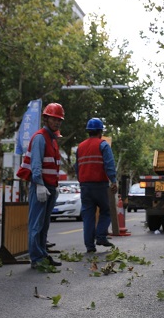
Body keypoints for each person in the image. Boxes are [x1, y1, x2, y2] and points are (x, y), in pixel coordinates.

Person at [16, 103, 64, 269]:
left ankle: (42, 254)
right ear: (46, 118)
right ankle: (36, 258)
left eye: (59, 120)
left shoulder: (52, 139)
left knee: (44, 224)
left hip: (50, 187)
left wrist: (54, 186)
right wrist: (39, 185)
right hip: (40, 187)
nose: (57, 122)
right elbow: (36, 165)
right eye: (54, 119)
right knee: (36, 224)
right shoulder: (40, 138)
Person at [75, 118, 119, 253]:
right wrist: (113, 181)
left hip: (85, 186)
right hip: (99, 185)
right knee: (106, 211)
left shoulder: (80, 147)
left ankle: (89, 246)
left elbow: (77, 167)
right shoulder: (103, 145)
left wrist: (81, 180)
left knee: (88, 215)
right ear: (100, 132)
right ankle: (100, 236)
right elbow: (109, 165)